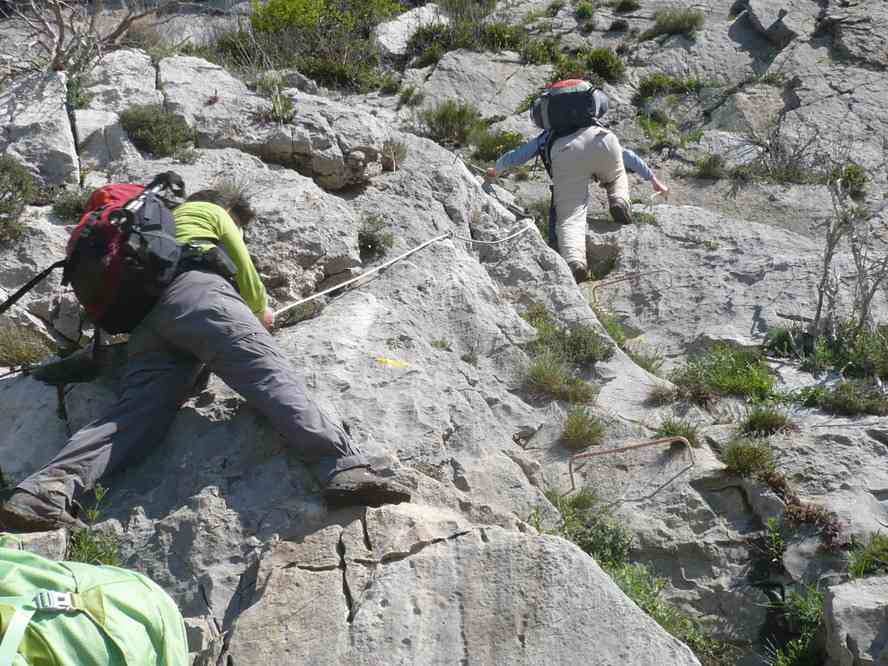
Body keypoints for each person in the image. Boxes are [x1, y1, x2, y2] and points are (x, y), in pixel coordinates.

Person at [0, 187, 411, 533]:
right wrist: (261, 313)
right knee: (267, 372)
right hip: (197, 296)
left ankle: (45, 491)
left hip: (145, 328)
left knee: (133, 418)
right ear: (228, 210)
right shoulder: (209, 211)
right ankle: (342, 465)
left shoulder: (149, 233)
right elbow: (248, 281)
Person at [487, 128, 669, 284]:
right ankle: (619, 200)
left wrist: (496, 169)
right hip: (602, 142)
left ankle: (574, 261)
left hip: (567, 154)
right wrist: (653, 179)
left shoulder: (548, 135)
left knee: (569, 217)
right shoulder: (593, 126)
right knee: (616, 175)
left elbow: (516, 156)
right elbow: (627, 155)